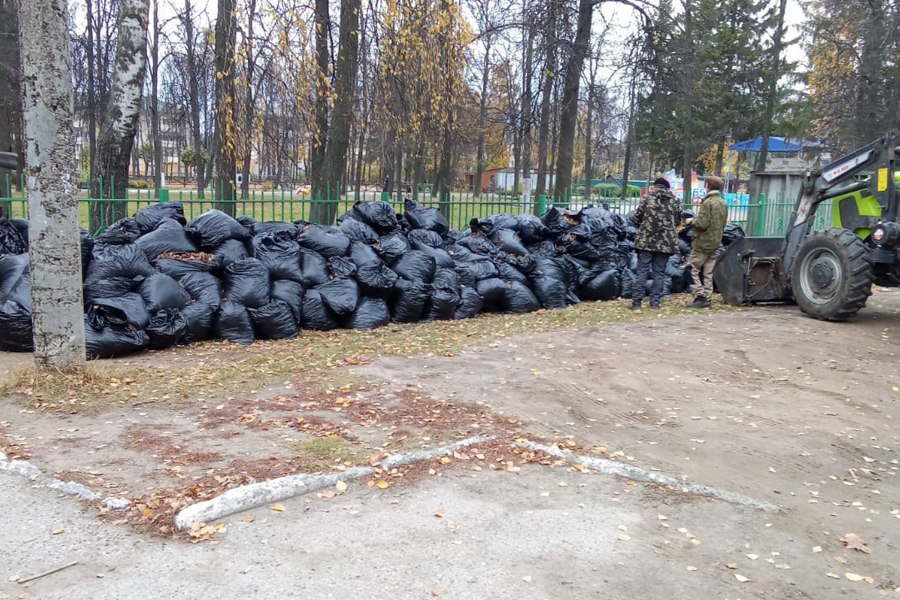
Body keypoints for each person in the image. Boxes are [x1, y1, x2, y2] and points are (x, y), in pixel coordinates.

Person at [631, 177, 679, 310]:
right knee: (659, 273)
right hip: (665, 243)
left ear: (655, 186)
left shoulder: (647, 199)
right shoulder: (674, 201)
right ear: (667, 188)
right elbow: (678, 218)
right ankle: (655, 303)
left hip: (646, 241)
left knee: (642, 271)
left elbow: (637, 216)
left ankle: (637, 303)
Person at [686, 175, 728, 308]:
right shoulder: (723, 203)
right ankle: (708, 297)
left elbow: (702, 223)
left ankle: (700, 295)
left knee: (693, 269)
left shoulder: (708, 202)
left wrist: (690, 221)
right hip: (715, 241)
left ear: (708, 186)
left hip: (702, 242)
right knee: (708, 272)